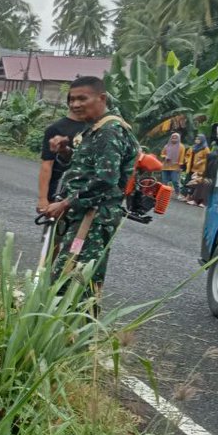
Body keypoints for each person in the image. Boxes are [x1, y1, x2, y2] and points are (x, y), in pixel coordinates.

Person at [44, 76, 139, 296]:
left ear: (101, 98)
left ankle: (77, 328)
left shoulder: (110, 130)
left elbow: (106, 180)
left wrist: (66, 203)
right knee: (69, 276)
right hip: (82, 215)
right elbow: (84, 169)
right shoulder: (93, 129)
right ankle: (67, 328)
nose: (75, 104)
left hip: (93, 219)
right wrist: (66, 151)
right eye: (71, 99)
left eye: (81, 99)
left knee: (74, 281)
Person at [37, 103, 89, 212]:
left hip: (81, 189)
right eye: (74, 98)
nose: (77, 103)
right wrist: (42, 198)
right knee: (52, 224)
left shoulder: (95, 128)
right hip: (56, 187)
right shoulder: (55, 128)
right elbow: (47, 164)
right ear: (69, 102)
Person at [182, 133, 210, 204]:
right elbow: (187, 155)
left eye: (198, 139)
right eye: (196, 139)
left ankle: (191, 198)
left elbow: (208, 158)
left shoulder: (205, 148)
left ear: (202, 140)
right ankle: (186, 196)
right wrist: (187, 160)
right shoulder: (193, 147)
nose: (197, 140)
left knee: (194, 184)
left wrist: (201, 161)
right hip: (190, 168)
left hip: (198, 169)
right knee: (188, 182)